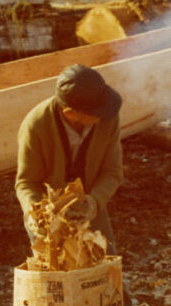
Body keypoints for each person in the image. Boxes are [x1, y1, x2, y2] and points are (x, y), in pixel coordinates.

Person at [15, 63, 123, 255]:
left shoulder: (108, 118)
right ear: (69, 113)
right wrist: (36, 214)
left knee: (106, 264)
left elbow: (112, 172)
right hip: (49, 209)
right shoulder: (36, 126)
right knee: (54, 272)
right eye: (96, 113)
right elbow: (27, 182)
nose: (103, 115)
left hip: (88, 201)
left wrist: (94, 203)